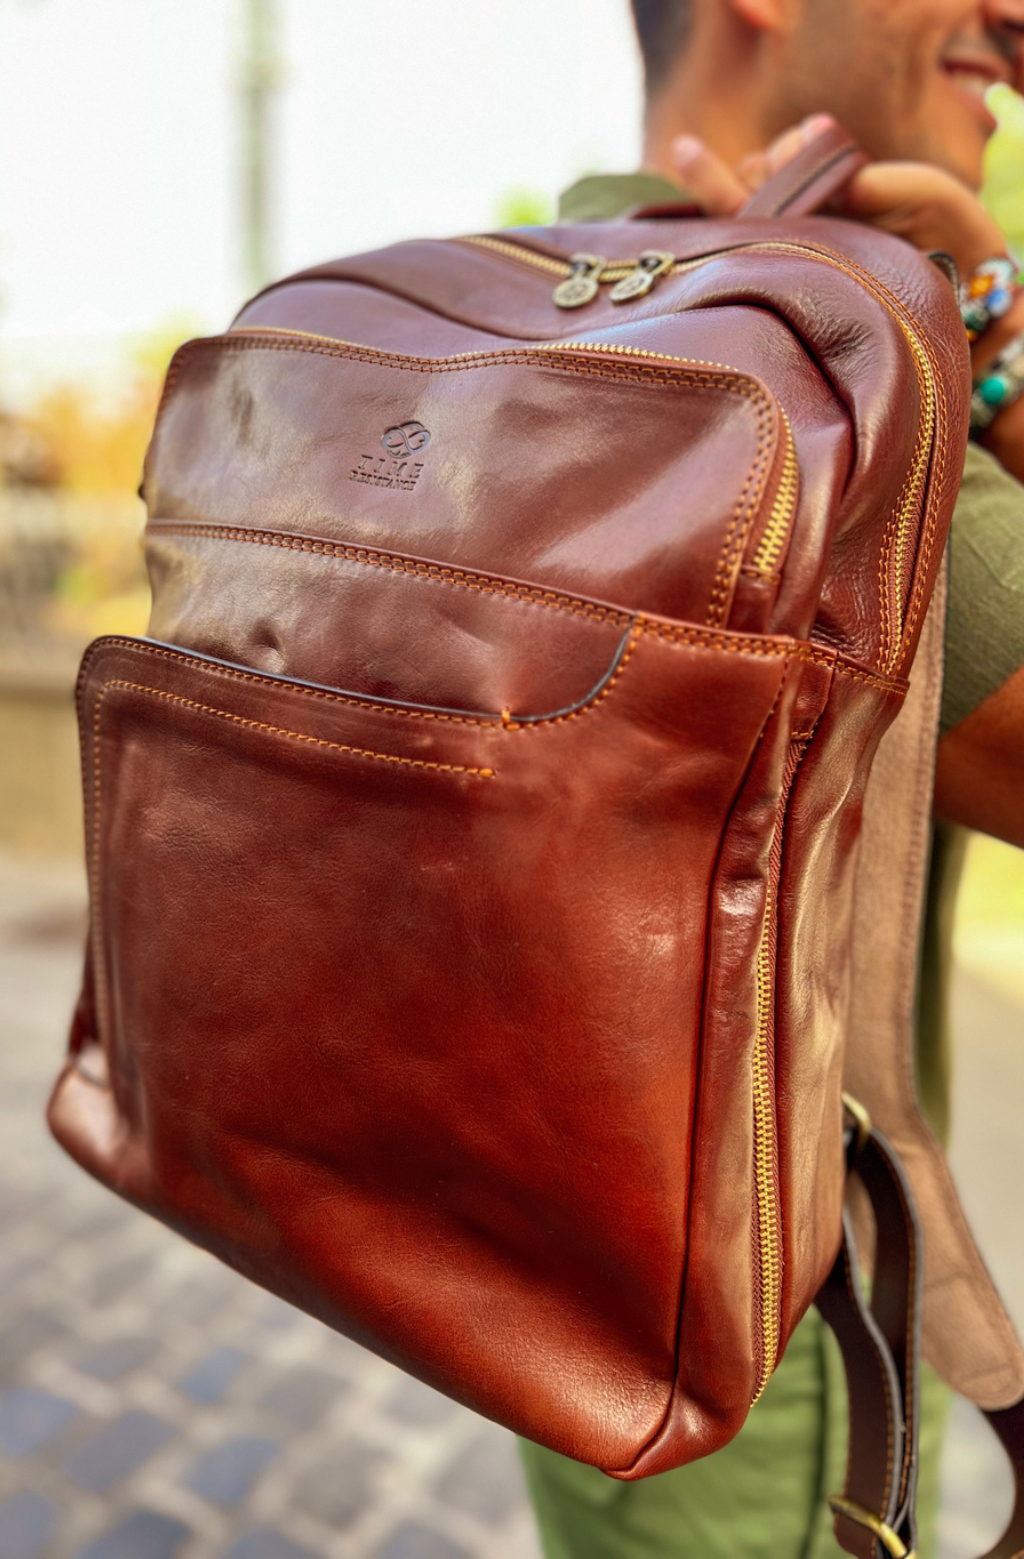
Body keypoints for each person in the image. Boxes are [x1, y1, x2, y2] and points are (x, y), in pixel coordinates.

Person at [518, 3, 1024, 1556]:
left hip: (553, 1273)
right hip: (778, 1367)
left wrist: (968, 309)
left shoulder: (538, 313)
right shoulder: (812, 385)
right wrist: (991, 322)